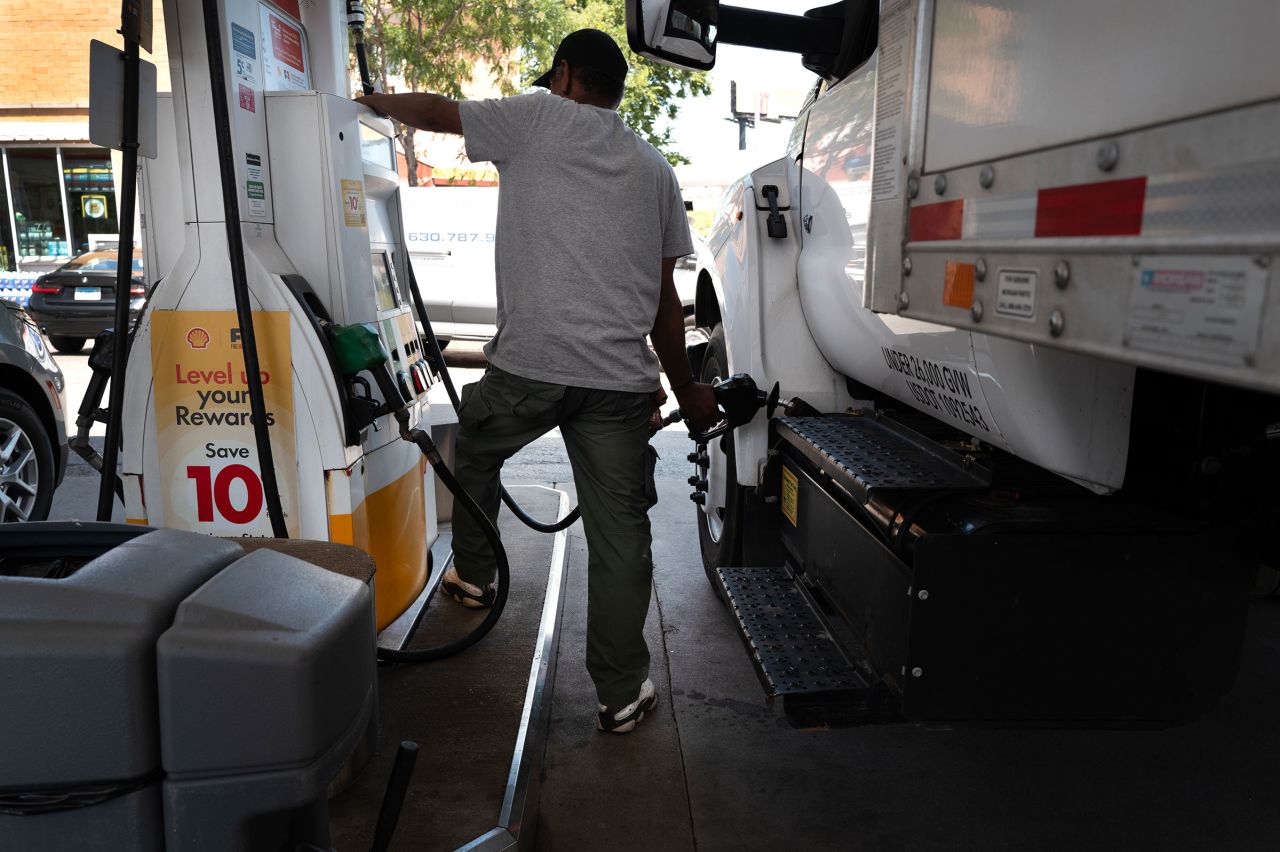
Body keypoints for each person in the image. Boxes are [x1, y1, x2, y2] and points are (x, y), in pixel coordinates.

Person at [357, 28, 719, 735]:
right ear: (615, 89)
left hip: (530, 367)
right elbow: (664, 305)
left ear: (564, 76)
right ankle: (621, 692)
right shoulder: (654, 168)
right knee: (621, 536)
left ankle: (474, 574)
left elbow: (439, 111)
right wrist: (687, 392)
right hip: (619, 383)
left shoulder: (534, 116)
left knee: (479, 451)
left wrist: (367, 100)